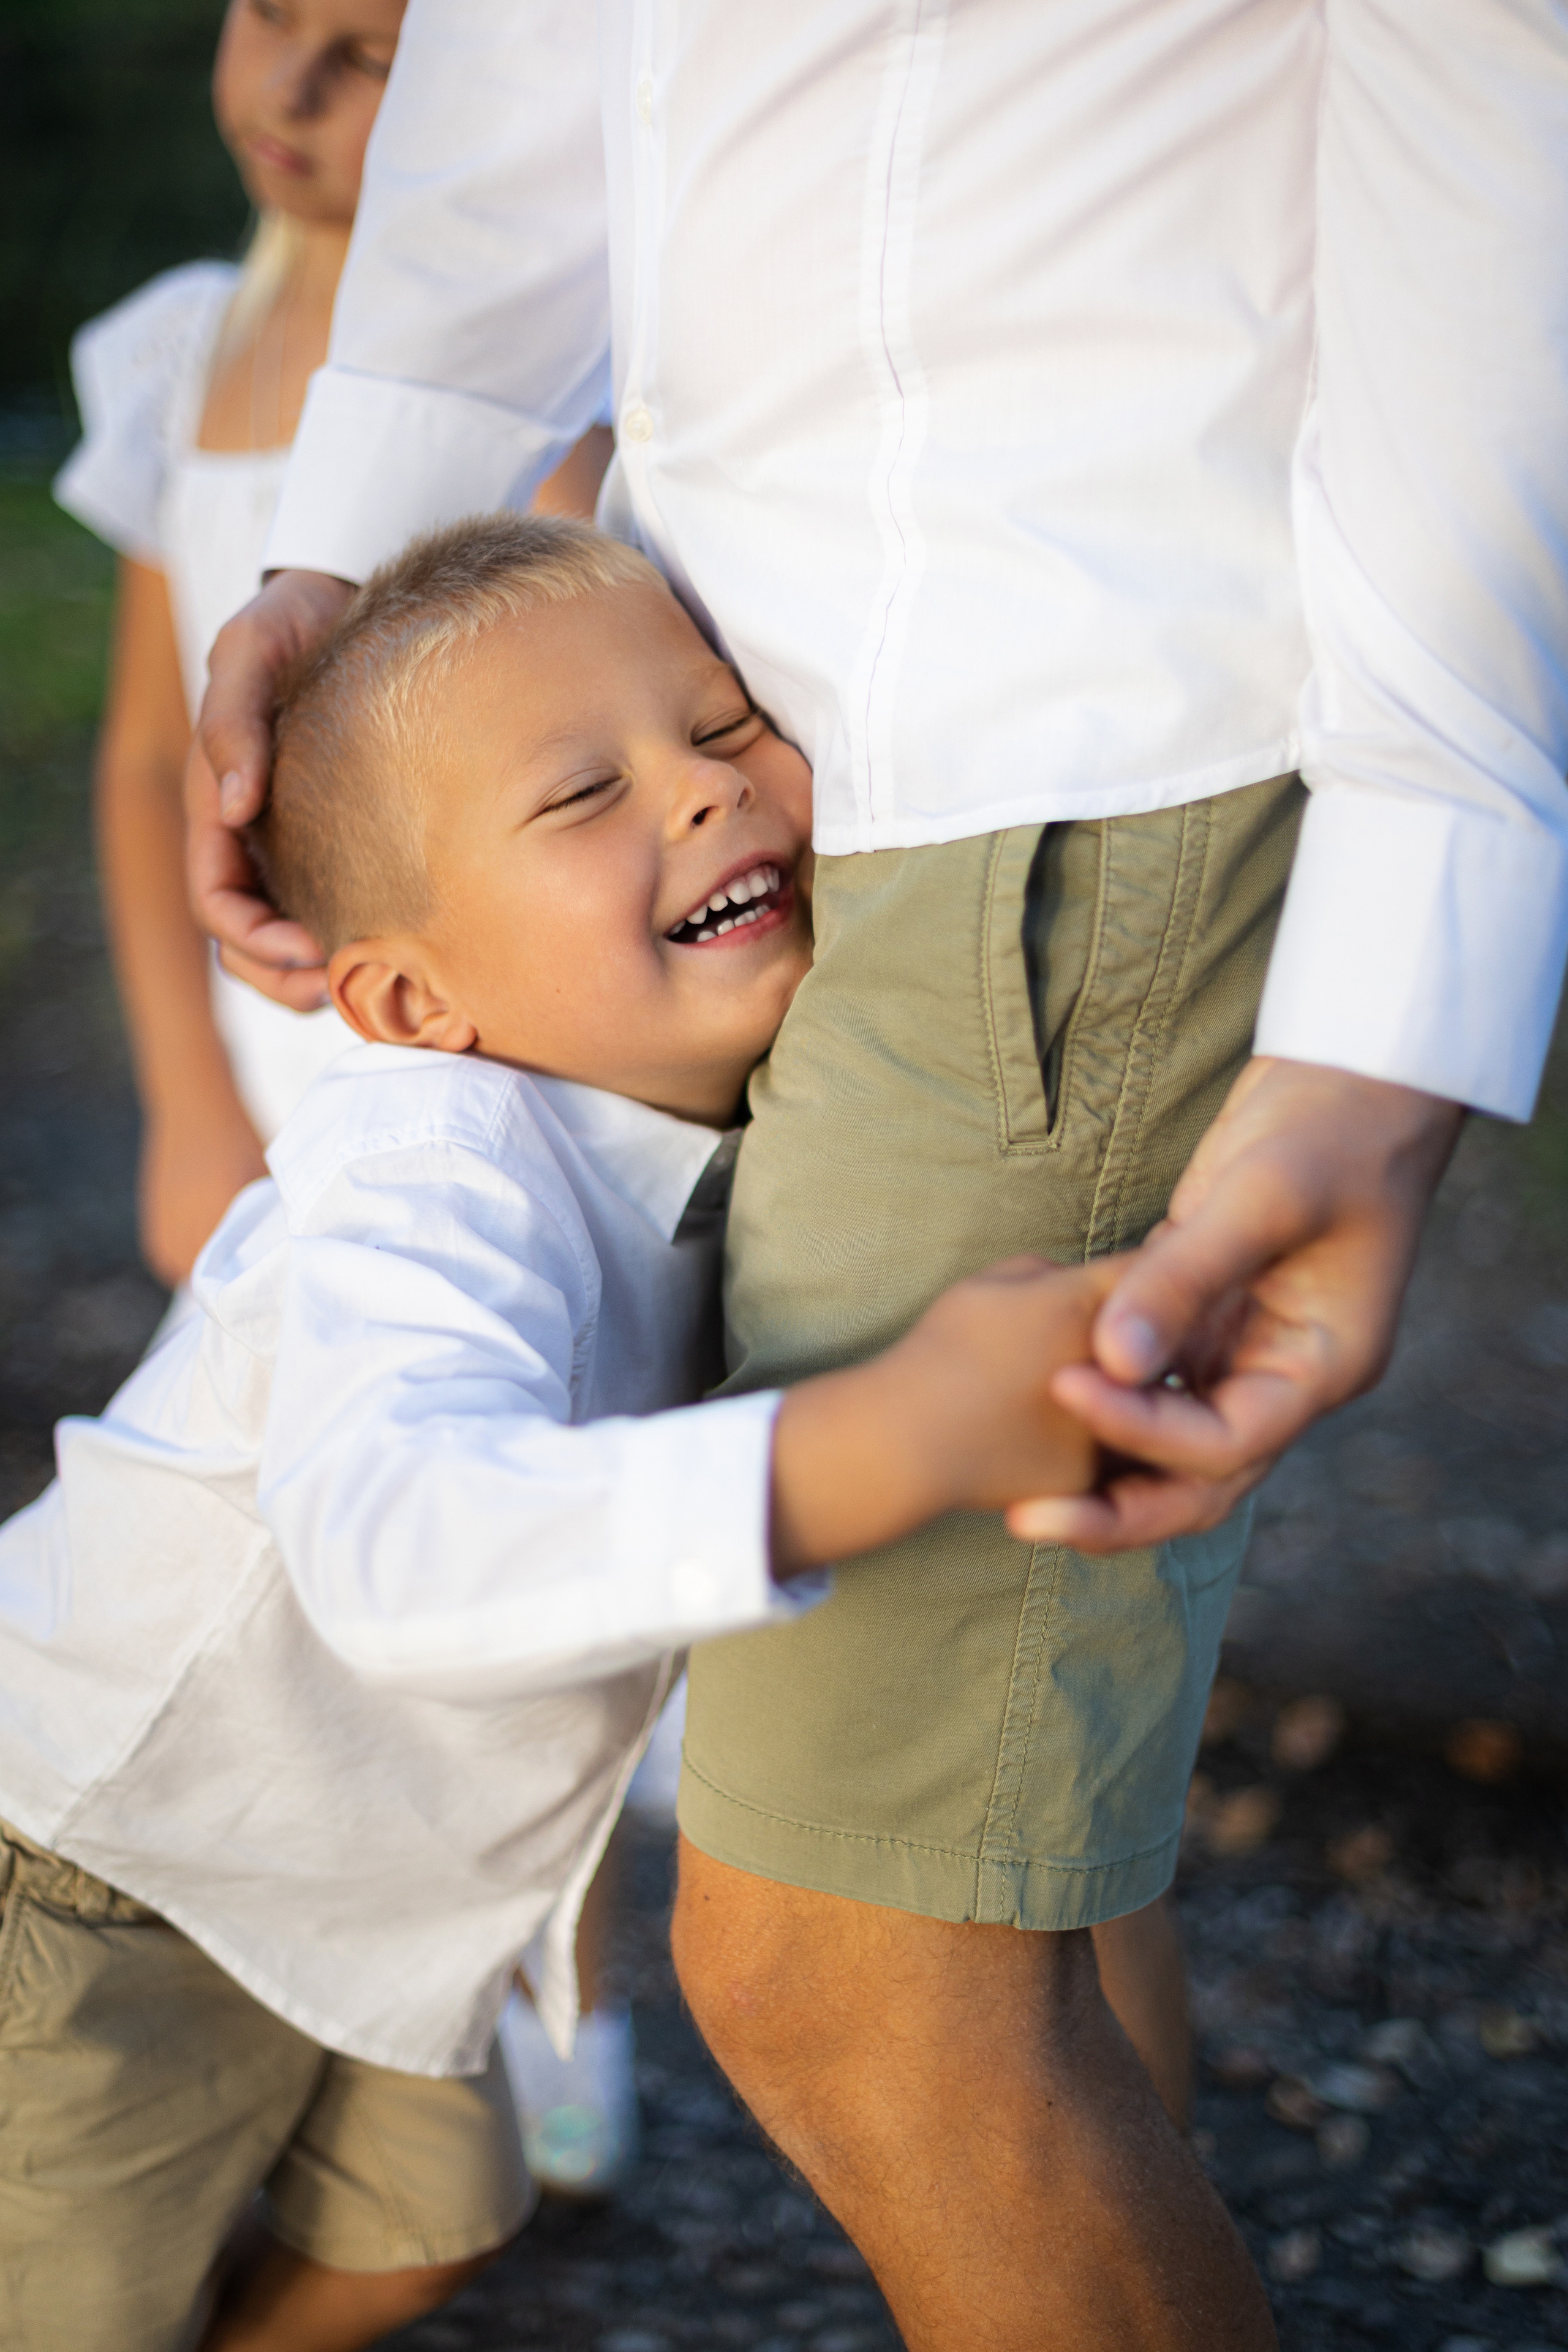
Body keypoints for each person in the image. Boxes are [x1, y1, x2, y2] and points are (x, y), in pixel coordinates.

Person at [189, 12, 1568, 2347]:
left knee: (863, 1965)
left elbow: (1490, 114)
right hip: (742, 648)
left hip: (1064, 748)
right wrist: (354, 538)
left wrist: (1411, 962)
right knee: (974, 1922)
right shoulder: (483, 1064)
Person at [0, 514, 1122, 2352]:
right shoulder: (425, 1166)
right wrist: (884, 1441)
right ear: (413, 1001)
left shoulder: (743, 1127)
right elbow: (402, 1541)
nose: (702, 792)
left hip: (360, 1892)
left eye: (725, 724)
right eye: (585, 790)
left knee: (427, 2231)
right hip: (105, 1853)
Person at [50, 0, 622, 2192]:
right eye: (267, 21)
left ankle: (549, 1986)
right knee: (289, 1520)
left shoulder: (554, 369)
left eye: (373, 51)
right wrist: (189, 1100)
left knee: (510, 1504)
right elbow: (138, 760)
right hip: (279, 1055)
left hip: (481, 1047)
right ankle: (285, 2000)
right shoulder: (175, 351)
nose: (293, 91)